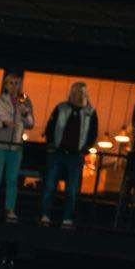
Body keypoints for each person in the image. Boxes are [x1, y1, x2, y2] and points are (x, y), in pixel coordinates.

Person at [39, 83, 96, 227]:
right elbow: (50, 126)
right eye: (76, 92)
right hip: (58, 152)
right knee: (50, 185)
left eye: (82, 93)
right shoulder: (61, 108)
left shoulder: (90, 112)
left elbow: (93, 132)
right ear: (71, 93)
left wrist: (86, 148)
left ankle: (67, 218)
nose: (79, 95)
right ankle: (45, 215)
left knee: (71, 189)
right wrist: (51, 143)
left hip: (75, 155)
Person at [0, 73, 34, 222]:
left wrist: (25, 113)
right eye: (11, 83)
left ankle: (10, 210)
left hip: (16, 146)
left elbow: (31, 124)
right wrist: (3, 123)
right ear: (6, 85)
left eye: (17, 83)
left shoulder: (24, 101)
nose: (14, 86)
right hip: (0, 144)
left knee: (12, 179)